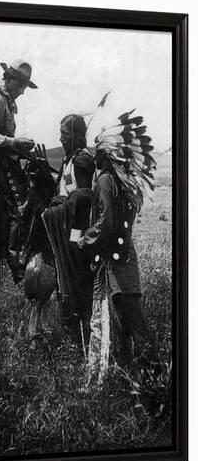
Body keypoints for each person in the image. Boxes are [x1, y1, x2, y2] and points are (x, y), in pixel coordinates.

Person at [78, 117, 156, 385]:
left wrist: (86, 240)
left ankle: (156, 381)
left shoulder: (105, 181)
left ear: (106, 156)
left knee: (132, 323)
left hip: (115, 265)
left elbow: (106, 222)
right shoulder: (123, 182)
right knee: (125, 323)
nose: (95, 159)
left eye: (98, 154)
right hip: (123, 260)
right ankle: (134, 381)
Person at [0, 60, 38, 282]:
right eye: (20, 85)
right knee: (20, 207)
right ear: (9, 79)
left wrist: (20, 149)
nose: (22, 91)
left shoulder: (6, 100)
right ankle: (16, 262)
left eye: (24, 86)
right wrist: (16, 143)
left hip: (5, 160)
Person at [42, 114, 95, 350]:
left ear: (77, 136)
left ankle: (82, 338)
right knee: (66, 281)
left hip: (76, 232)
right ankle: (72, 336)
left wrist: (60, 204)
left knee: (76, 281)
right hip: (66, 229)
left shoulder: (82, 161)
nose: (61, 139)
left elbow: (83, 199)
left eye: (64, 135)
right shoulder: (70, 160)